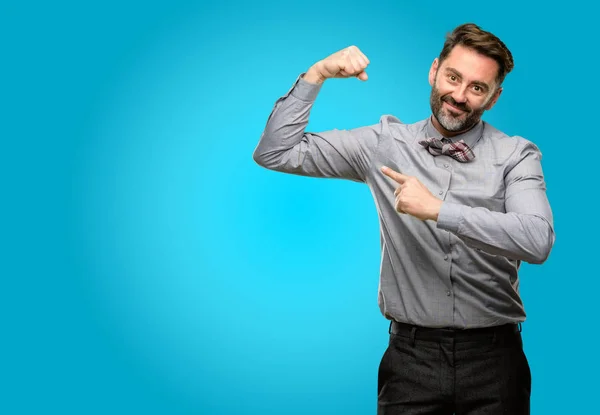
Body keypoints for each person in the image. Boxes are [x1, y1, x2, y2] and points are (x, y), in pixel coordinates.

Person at [252, 23, 555, 415]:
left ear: (493, 99)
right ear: (434, 71)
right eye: (453, 77)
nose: (459, 96)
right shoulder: (383, 144)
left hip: (495, 362)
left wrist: (439, 211)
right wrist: (318, 74)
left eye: (477, 88)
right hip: (411, 361)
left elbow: (537, 240)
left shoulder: (516, 155)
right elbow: (274, 152)